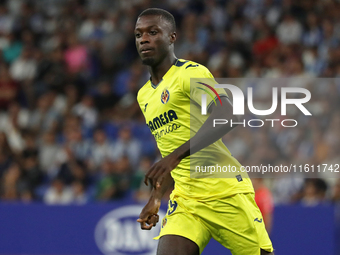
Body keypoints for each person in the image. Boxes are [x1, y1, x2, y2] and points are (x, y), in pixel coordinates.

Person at [135, 8, 274, 255]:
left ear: (172, 37)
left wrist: (174, 157)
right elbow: (169, 152)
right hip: (187, 200)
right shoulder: (144, 95)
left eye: (153, 32)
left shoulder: (191, 74)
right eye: (138, 34)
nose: (144, 39)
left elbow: (229, 114)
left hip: (224, 190)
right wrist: (156, 197)